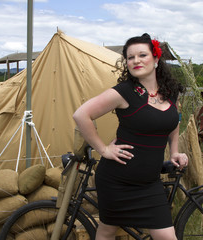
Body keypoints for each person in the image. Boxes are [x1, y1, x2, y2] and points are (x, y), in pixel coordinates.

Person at [73, 33, 188, 240]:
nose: (135, 60)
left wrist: (175, 151)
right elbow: (81, 115)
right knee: (108, 230)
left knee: (167, 237)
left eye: (142, 55)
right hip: (117, 181)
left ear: (155, 59)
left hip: (150, 183)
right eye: (130, 57)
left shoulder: (170, 92)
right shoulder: (124, 92)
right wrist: (104, 149)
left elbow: (173, 123)